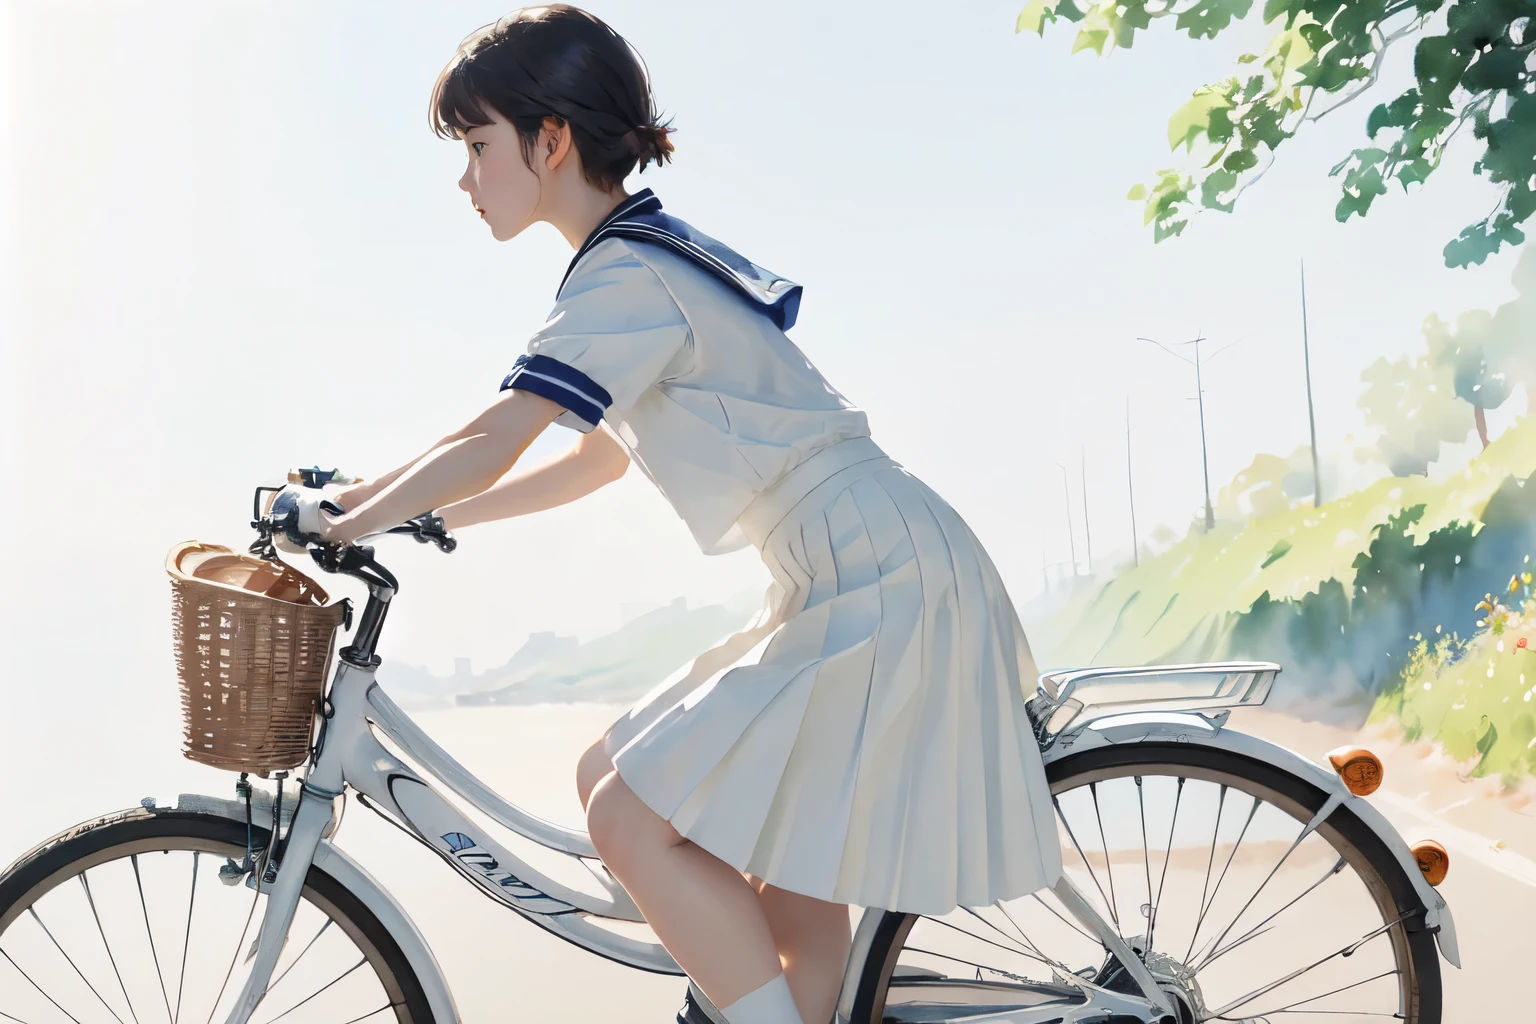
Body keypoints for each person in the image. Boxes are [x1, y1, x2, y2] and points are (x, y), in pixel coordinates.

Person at [312, 7, 1062, 1024]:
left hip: (879, 576)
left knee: (629, 815)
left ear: (551, 140)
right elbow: (592, 462)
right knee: (618, 774)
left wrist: (347, 518)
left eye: (478, 145)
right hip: (853, 563)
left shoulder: (628, 275)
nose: (465, 177)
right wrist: (424, 516)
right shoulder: (637, 256)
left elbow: (500, 434)